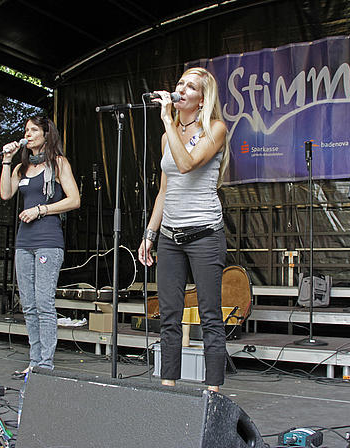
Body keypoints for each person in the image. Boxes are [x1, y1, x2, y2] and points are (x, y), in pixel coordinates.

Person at [138, 67, 230, 392]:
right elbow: (166, 190)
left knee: (209, 316)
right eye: (179, 83)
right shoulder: (169, 135)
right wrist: (150, 233)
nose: (181, 90)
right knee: (169, 316)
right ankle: (168, 388)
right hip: (170, 237)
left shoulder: (215, 129)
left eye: (190, 87)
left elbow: (187, 164)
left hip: (205, 233)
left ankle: (213, 391)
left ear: (202, 99)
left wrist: (166, 120)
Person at [0, 116, 80, 376]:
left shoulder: (58, 163)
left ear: (47, 135)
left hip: (48, 241)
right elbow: (5, 194)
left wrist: (41, 209)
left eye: (34, 130)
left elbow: (74, 199)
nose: (29, 134)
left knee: (44, 302)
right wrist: (6, 160)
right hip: (24, 242)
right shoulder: (21, 168)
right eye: (26, 130)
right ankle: (35, 360)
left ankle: (45, 363)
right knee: (28, 304)